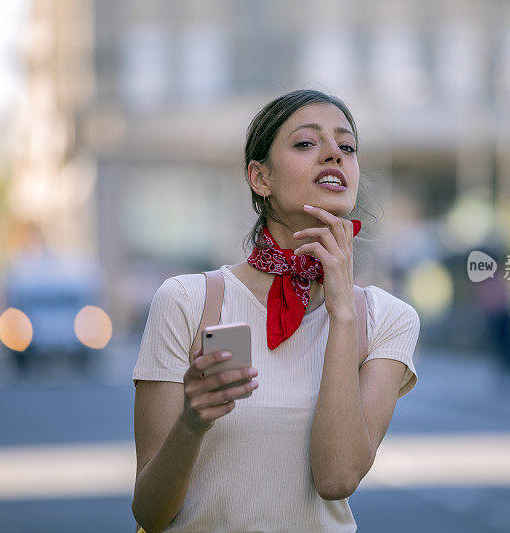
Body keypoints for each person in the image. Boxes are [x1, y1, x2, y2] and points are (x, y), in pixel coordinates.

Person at [131, 89, 421, 532]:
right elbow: (149, 512)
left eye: (347, 147)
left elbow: (336, 477)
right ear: (259, 178)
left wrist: (342, 312)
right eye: (307, 143)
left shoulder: (388, 320)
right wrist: (191, 424)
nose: (333, 155)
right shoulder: (187, 301)